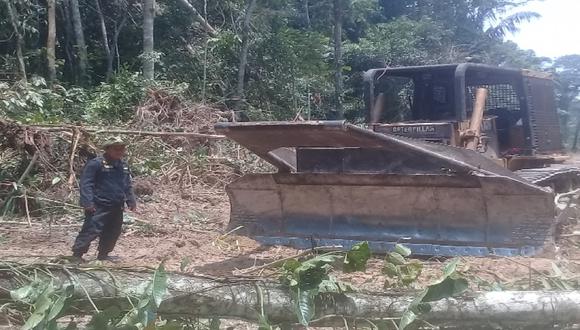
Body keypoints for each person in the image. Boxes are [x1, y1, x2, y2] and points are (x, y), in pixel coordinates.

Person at [71, 137, 136, 262]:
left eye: (121, 149)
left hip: (117, 206)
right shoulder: (96, 164)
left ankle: (103, 254)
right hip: (98, 205)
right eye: (116, 149)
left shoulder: (123, 166)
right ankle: (77, 255)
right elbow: (86, 184)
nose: (119, 151)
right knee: (91, 230)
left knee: (113, 231)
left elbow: (127, 185)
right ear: (107, 149)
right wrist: (87, 202)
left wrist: (131, 200)